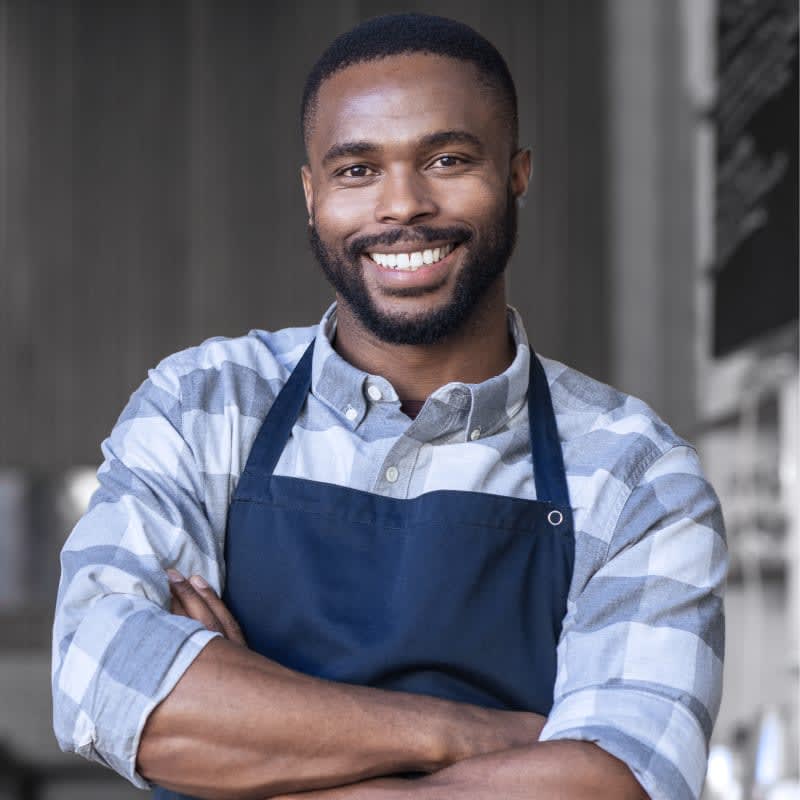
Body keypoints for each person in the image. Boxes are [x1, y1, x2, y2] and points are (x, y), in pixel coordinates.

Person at [52, 13, 727, 800]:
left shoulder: (639, 475)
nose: (402, 205)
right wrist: (471, 734)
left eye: (446, 159)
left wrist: (244, 737)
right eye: (357, 170)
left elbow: (616, 786)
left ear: (517, 174)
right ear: (312, 195)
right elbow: (102, 682)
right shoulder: (203, 404)